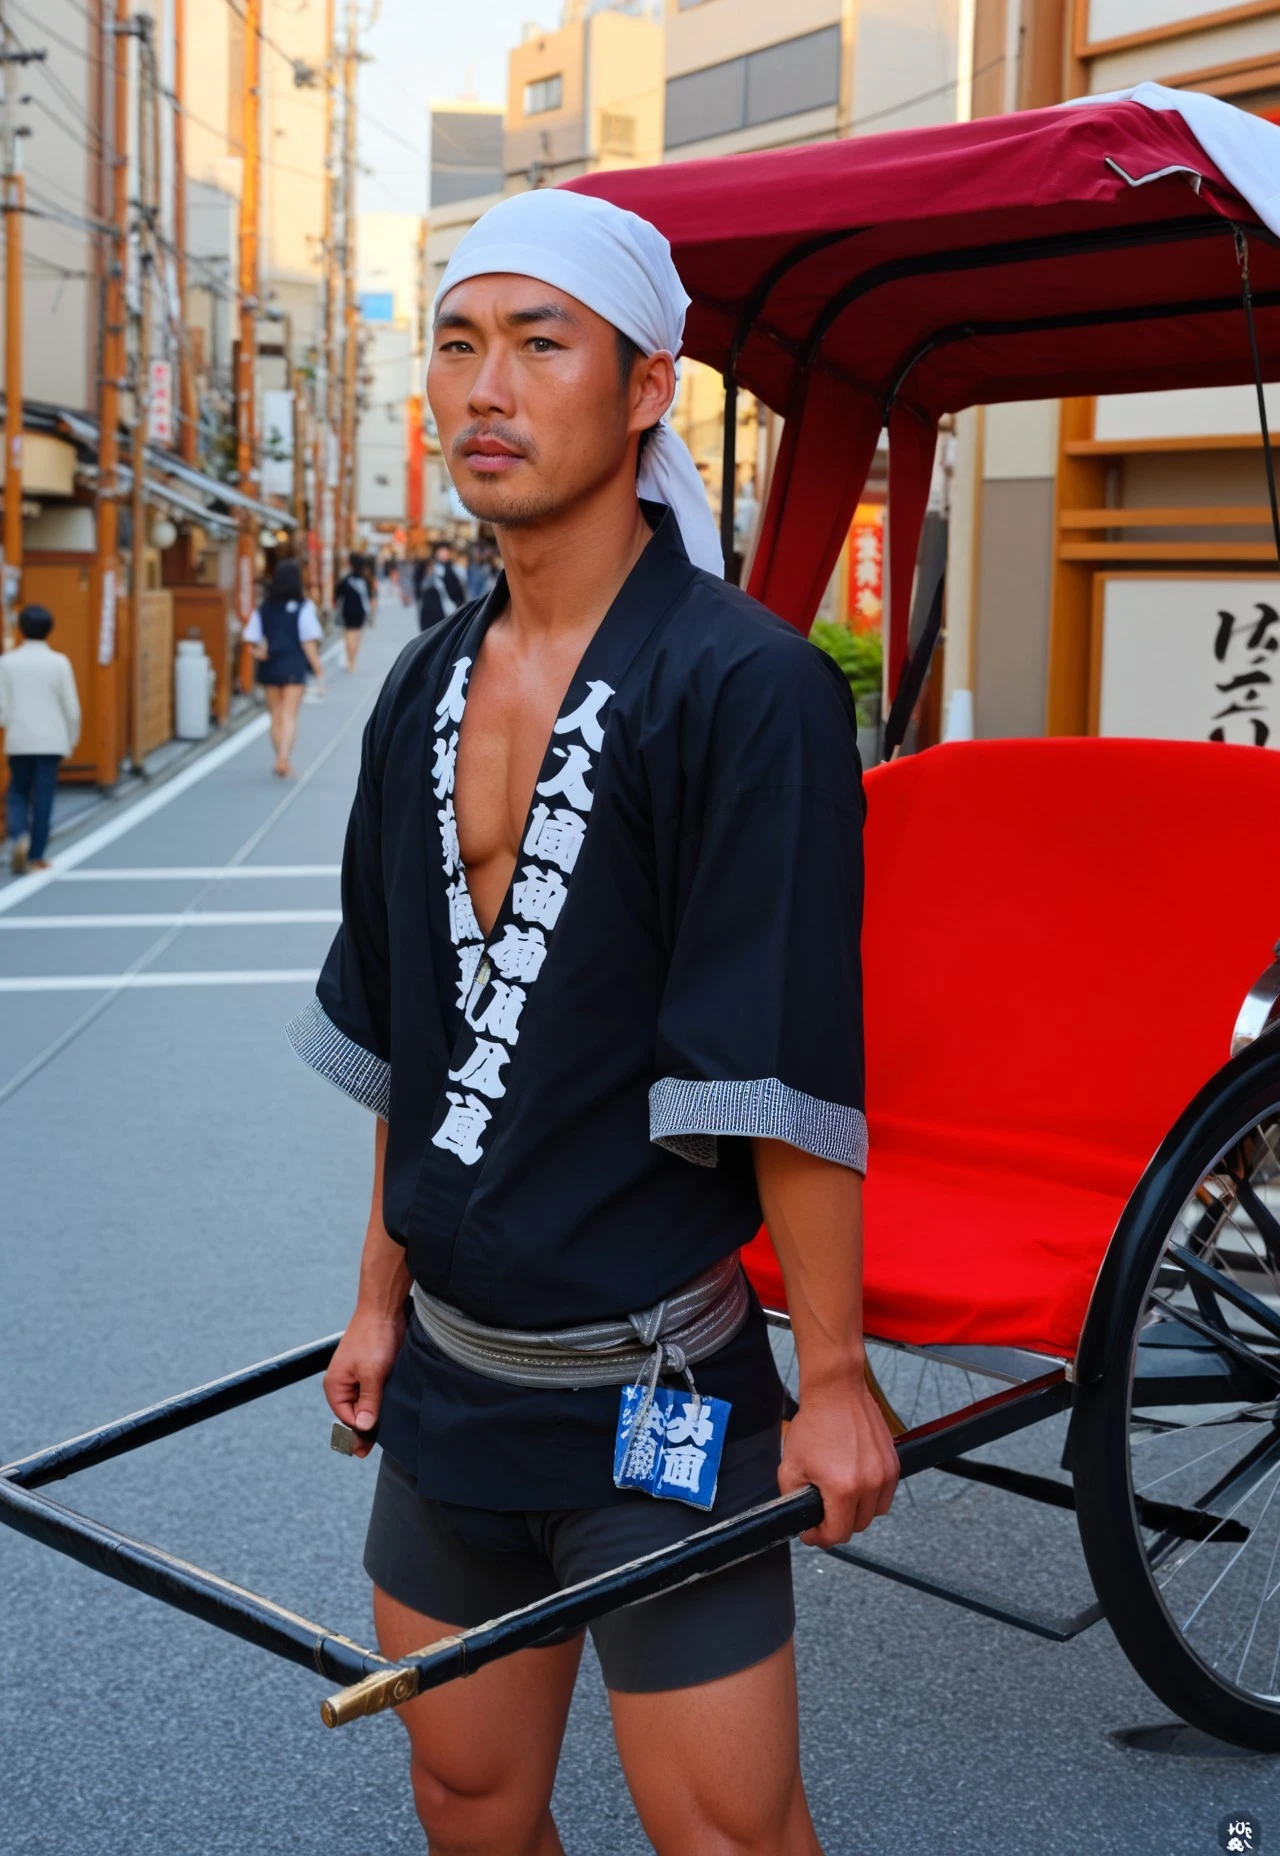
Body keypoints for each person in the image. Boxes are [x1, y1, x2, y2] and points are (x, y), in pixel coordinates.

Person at [287, 184, 896, 1856]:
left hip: (656, 1381)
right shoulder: (421, 683)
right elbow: (420, 1040)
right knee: (467, 1798)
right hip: (453, 1380)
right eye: (457, 344)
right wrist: (376, 1300)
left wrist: (834, 1375)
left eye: (540, 344)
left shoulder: (745, 687)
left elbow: (780, 1061)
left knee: (728, 1831)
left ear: (645, 390)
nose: (486, 388)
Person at [0, 603, 81, 874]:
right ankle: (37, 855)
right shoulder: (59, 663)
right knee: (44, 796)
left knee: (17, 791)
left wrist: (9, 722)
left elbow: (2, 709)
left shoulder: (7, 662)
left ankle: (18, 835)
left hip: (19, 739)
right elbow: (71, 709)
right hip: (51, 739)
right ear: (50, 630)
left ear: (20, 629)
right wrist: (71, 739)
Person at [243, 558, 323, 777]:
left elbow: (250, 637)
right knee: (289, 714)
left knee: (276, 714)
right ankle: (284, 757)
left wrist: (258, 651)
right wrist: (318, 668)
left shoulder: (264, 608)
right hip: (294, 664)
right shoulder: (304, 607)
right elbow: (308, 641)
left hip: (270, 665)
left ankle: (279, 755)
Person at [335, 551, 372, 673]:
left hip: (348, 612)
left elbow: (338, 593)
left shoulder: (346, 579)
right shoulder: (365, 580)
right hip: (361, 611)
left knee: (349, 635)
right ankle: (353, 659)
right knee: (357, 635)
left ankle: (350, 661)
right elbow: (370, 596)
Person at [417, 540, 465, 631]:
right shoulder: (428, 568)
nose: (444, 555)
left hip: (450, 613)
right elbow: (421, 588)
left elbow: (458, 592)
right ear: (436, 553)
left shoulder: (454, 569)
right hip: (434, 615)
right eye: (441, 552)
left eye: (446, 552)